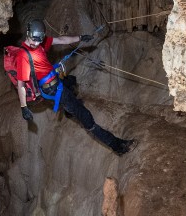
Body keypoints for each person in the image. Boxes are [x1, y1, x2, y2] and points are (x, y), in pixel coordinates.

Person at [15, 19, 136, 156]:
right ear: (28, 34)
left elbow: (61, 40)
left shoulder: (39, 42)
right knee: (87, 118)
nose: (36, 43)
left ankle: (69, 110)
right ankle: (118, 146)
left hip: (56, 80)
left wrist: (80, 38)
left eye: (39, 40)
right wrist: (23, 107)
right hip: (53, 89)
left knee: (71, 80)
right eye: (34, 40)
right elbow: (21, 84)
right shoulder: (23, 56)